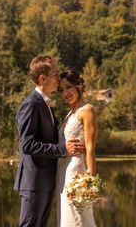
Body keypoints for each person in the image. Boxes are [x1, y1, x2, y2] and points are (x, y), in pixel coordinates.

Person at [15, 55, 86, 227]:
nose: (58, 78)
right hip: (34, 181)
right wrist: (62, 149)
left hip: (45, 182)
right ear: (42, 78)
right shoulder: (31, 104)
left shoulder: (45, 105)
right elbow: (27, 145)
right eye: (55, 74)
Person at [56, 70, 98, 227]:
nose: (65, 93)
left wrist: (90, 180)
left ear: (79, 86)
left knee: (78, 218)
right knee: (66, 218)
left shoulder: (87, 110)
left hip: (76, 173)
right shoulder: (69, 114)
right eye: (61, 90)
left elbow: (90, 148)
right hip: (62, 172)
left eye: (68, 87)